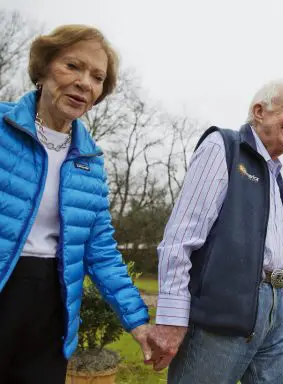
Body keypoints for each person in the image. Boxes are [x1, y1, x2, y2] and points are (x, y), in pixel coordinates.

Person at [0, 25, 154, 383]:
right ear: (42, 69)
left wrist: (138, 323)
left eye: (97, 77)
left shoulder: (90, 159)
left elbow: (100, 250)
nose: (85, 82)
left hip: (50, 308)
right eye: (73, 66)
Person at [148, 79, 283, 383]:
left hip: (277, 310)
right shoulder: (224, 146)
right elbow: (180, 238)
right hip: (222, 309)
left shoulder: (277, 177)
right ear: (259, 111)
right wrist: (171, 318)